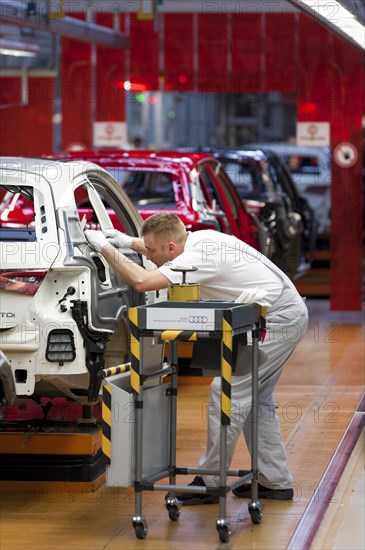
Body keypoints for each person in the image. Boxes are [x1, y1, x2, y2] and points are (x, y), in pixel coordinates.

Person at [85, 213, 308, 504]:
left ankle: (211, 481)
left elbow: (141, 281)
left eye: (150, 251)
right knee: (256, 398)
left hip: (276, 319)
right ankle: (275, 480)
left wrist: (105, 248)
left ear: (171, 250)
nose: (148, 255)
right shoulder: (199, 238)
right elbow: (162, 249)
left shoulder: (198, 257)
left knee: (226, 391)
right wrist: (129, 242)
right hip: (281, 311)